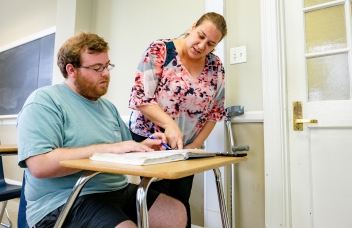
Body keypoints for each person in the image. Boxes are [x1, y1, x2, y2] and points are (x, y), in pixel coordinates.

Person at [17, 32, 187, 228]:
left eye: (107, 66)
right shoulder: (44, 101)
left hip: (116, 191)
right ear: (71, 70)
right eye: (97, 68)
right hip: (67, 199)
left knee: (174, 212)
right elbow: (40, 165)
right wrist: (108, 149)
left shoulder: (107, 108)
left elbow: (122, 149)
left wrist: (144, 146)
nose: (106, 73)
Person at [128, 12, 227, 227]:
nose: (202, 46)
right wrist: (169, 124)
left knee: (180, 205)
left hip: (184, 148)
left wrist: (195, 146)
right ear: (192, 27)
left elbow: (215, 113)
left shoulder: (215, 66)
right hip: (150, 140)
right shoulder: (161, 50)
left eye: (210, 44)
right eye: (200, 36)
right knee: (154, 206)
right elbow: (141, 98)